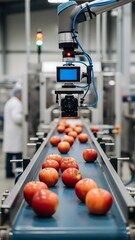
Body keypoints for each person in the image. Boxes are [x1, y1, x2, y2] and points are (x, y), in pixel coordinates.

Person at [3, 84, 23, 178]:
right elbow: (16, 118)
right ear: (18, 94)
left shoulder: (10, 101)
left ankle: (9, 172)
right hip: (15, 132)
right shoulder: (17, 103)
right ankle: (18, 174)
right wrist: (25, 117)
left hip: (10, 132)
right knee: (18, 153)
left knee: (9, 154)